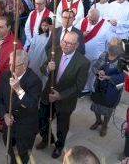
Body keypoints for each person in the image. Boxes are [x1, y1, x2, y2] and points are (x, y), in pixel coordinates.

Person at [37, 31, 90, 159]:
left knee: (62, 126)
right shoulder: (55, 50)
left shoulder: (83, 62)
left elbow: (79, 86)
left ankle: (59, 146)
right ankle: (47, 139)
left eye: (69, 43)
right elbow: (42, 68)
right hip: (47, 95)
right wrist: (47, 68)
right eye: (64, 41)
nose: (65, 45)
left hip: (65, 101)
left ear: (76, 45)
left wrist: (60, 96)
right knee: (42, 120)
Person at [0, 49, 42, 164]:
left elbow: (31, 105)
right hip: (8, 126)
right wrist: (4, 115)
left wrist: (18, 89)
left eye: (15, 65)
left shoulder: (35, 81)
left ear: (25, 65)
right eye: (10, 64)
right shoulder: (6, 75)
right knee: (10, 150)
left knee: (22, 156)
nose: (11, 68)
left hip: (25, 128)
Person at [89, 38, 124, 136]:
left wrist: (109, 77)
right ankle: (98, 121)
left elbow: (124, 76)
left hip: (112, 89)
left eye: (114, 46)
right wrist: (98, 72)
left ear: (119, 47)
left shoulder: (122, 60)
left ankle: (104, 125)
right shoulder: (104, 55)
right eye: (110, 45)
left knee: (107, 109)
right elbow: (94, 67)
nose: (110, 47)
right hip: (99, 86)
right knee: (96, 106)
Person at [75, 8, 113, 95]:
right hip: (80, 54)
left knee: (91, 73)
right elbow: (74, 32)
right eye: (90, 19)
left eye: (93, 20)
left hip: (95, 56)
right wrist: (81, 34)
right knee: (80, 71)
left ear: (98, 17)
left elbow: (109, 42)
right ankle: (78, 86)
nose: (91, 21)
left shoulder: (106, 25)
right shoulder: (83, 21)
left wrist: (106, 56)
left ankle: (87, 89)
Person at [28, 17, 52, 88]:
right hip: (35, 57)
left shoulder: (51, 36)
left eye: (46, 25)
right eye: (43, 25)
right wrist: (29, 58)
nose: (44, 27)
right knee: (33, 72)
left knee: (41, 75)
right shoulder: (37, 34)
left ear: (50, 26)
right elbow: (32, 47)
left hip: (44, 58)